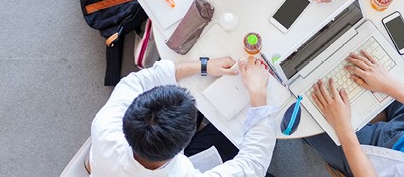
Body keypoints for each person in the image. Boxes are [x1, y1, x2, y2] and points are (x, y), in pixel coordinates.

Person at [89, 56, 277, 176]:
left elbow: (137, 80)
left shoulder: (105, 126)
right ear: (182, 146)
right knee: (232, 137)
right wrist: (258, 92)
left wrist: (204, 65)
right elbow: (253, 163)